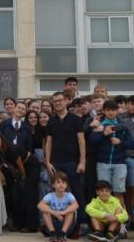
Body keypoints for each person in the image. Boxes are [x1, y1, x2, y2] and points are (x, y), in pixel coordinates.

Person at [45, 92, 86, 223]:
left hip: (72, 162)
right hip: (56, 162)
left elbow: (81, 141)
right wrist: (47, 161)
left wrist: (82, 162)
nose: (57, 103)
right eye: (55, 101)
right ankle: (57, 222)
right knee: (56, 193)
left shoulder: (75, 119)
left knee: (77, 191)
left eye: (59, 100)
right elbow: (48, 142)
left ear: (66, 101)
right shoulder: (51, 121)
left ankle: (81, 222)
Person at [89, 100, 134, 206]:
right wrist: (103, 134)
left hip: (120, 163)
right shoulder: (99, 125)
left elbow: (132, 144)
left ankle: (121, 220)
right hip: (102, 163)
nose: (111, 113)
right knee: (103, 193)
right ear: (104, 111)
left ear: (117, 111)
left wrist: (120, 142)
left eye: (113, 110)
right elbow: (92, 142)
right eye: (108, 110)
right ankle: (106, 219)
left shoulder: (122, 126)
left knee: (118, 192)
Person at [38, 171, 79, 242]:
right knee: (45, 211)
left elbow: (76, 205)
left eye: (63, 182)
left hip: (65, 225)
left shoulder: (69, 195)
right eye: (58, 182)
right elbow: (39, 205)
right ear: (53, 185)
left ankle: (63, 234)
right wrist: (54, 213)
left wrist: (62, 213)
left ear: (66, 185)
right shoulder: (50, 195)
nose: (61, 184)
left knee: (71, 211)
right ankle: (52, 234)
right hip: (53, 225)